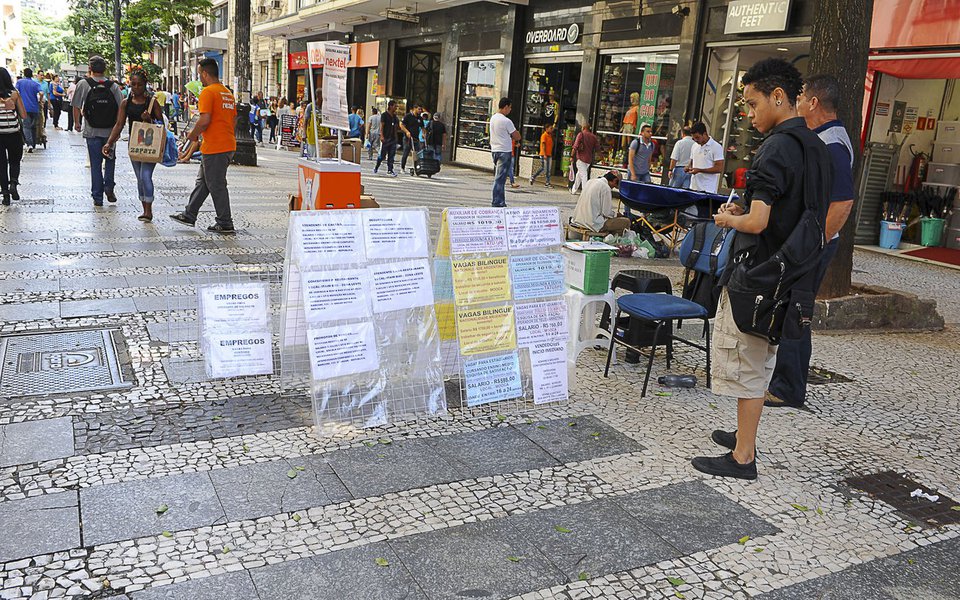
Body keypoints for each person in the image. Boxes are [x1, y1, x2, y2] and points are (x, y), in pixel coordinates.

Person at [692, 58, 831, 481]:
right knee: (763, 356)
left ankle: (743, 457)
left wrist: (727, 218)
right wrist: (749, 210)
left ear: (778, 96)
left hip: (760, 274)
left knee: (746, 362)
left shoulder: (775, 147)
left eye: (752, 105)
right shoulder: (817, 147)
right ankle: (742, 436)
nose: (749, 115)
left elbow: (757, 222)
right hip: (792, 273)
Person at [766, 74, 855, 409]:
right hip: (811, 240)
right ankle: (785, 381)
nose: (798, 102)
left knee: (795, 310)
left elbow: (843, 201)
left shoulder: (831, 143)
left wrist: (816, 242)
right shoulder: (825, 137)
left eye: (801, 96)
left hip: (815, 243)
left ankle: (787, 388)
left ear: (814, 103)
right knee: (793, 308)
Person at [170, 58, 238, 233]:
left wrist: (190, 137)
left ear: (205, 74)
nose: (199, 77)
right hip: (225, 144)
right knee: (203, 183)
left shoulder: (208, 92)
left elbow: (204, 120)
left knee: (216, 185)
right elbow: (234, 119)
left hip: (216, 147)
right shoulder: (227, 93)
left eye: (200, 73)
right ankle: (189, 214)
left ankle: (225, 222)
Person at [103, 69, 165, 223]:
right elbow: (119, 124)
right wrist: (109, 142)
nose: (136, 87)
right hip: (134, 144)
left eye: (140, 84)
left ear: (145, 85)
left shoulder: (152, 102)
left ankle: (148, 211)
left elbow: (162, 125)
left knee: (145, 176)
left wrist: (149, 119)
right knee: (139, 178)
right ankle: (144, 208)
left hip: (151, 145)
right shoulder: (126, 102)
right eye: (133, 84)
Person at [72, 56, 124, 206]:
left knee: (95, 165)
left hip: (92, 131)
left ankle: (97, 197)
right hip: (110, 133)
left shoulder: (83, 84)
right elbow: (121, 107)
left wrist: (77, 123)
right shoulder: (112, 86)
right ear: (105, 69)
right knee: (110, 160)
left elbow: (75, 105)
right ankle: (108, 186)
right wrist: (118, 128)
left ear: (90, 69)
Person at [0, 68, 26, 205]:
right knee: (14, 161)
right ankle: (13, 184)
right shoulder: (14, 94)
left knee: (1, 164)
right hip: (13, 133)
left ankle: (5, 194)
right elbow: (23, 115)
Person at [489, 97, 520, 208]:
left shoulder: (493, 118)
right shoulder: (506, 121)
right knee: (500, 178)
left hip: (495, 150)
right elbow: (517, 136)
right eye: (510, 108)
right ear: (505, 107)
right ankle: (497, 202)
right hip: (504, 151)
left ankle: (500, 200)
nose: (510, 110)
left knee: (500, 177)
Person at [687, 122, 725, 194]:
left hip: (707, 189)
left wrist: (699, 170)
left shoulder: (716, 147)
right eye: (693, 138)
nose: (695, 140)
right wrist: (688, 167)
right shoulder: (694, 146)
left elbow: (719, 168)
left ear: (704, 134)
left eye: (697, 137)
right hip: (693, 187)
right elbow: (692, 161)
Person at [15, 68, 41, 153]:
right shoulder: (35, 83)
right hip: (35, 108)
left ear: (25, 74)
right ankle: (33, 144)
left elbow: (16, 92)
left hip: (24, 108)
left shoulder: (20, 82)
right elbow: (41, 93)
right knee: (33, 126)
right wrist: (40, 100)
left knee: (26, 126)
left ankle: (29, 144)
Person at [570, 121, 599, 194]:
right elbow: (598, 149)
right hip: (588, 160)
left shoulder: (581, 134)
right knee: (579, 174)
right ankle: (574, 189)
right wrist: (602, 158)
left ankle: (584, 192)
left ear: (583, 127)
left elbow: (575, 146)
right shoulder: (593, 137)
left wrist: (571, 156)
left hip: (581, 158)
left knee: (583, 175)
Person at [374, 100, 399, 176]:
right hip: (386, 138)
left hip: (392, 139)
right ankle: (377, 166)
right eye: (395, 106)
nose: (396, 108)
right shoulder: (384, 115)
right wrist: (381, 135)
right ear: (390, 106)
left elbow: (395, 127)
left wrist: (396, 137)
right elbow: (382, 126)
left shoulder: (395, 117)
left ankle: (390, 169)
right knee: (382, 155)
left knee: (392, 155)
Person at [529, 123, 554, 187]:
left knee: (548, 169)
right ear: (546, 129)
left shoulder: (550, 136)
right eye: (550, 128)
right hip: (544, 154)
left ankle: (547, 182)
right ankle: (533, 177)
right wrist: (545, 154)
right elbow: (543, 145)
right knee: (544, 168)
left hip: (549, 154)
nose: (552, 130)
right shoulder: (544, 135)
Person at [399, 104, 422, 173]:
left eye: (421, 109)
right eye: (419, 109)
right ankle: (402, 168)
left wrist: (424, 134)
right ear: (414, 109)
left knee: (416, 153)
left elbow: (423, 127)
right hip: (408, 138)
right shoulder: (408, 116)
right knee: (406, 152)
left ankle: (416, 168)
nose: (420, 111)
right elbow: (401, 124)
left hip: (416, 138)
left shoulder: (419, 118)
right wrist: (407, 132)